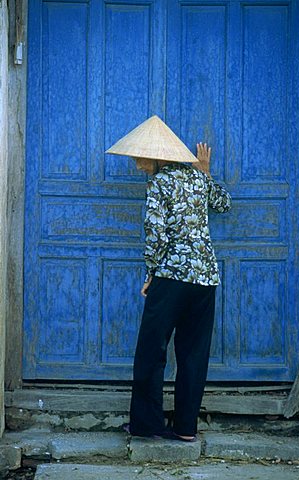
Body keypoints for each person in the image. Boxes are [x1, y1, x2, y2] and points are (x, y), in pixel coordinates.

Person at [106, 116, 232, 442]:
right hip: (205, 278)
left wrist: (150, 274)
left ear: (157, 156)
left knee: (151, 350)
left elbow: (156, 235)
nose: (136, 165)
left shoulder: (158, 185)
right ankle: (186, 428)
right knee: (193, 352)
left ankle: (148, 425)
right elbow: (224, 203)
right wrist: (206, 172)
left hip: (171, 277)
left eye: (139, 157)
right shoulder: (197, 178)